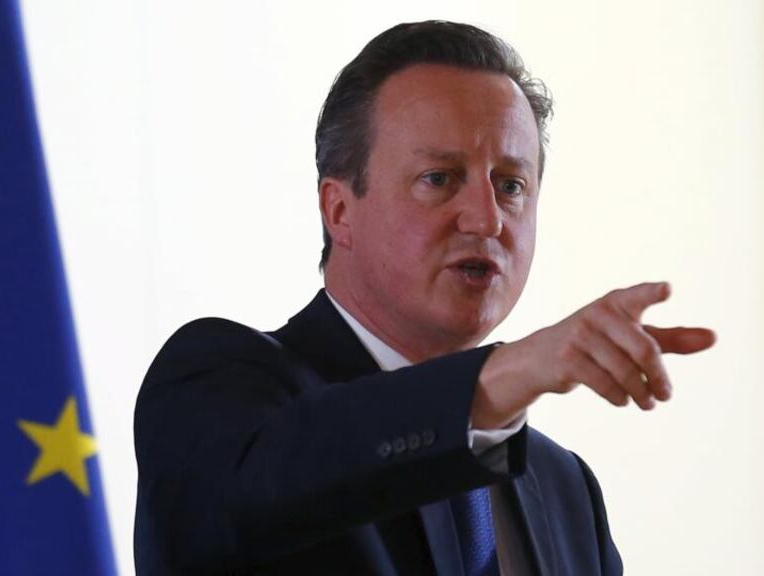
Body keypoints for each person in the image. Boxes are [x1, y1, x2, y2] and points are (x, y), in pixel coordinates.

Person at [133, 20, 715, 575]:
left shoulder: (564, 487)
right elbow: (264, 492)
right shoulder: (218, 390)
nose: (486, 219)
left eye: (510, 185)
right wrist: (501, 377)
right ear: (339, 210)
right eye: (439, 178)